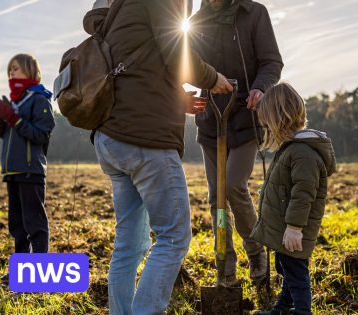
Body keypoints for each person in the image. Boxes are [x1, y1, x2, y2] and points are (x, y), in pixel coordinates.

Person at [83, 0, 233, 314]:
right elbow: (178, 53)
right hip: (145, 141)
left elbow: (139, 72)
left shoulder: (118, 14)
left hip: (111, 137)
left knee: (129, 245)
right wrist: (210, 77)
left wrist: (177, 100)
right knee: (174, 236)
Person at [189, 0, 284, 285]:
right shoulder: (196, 21)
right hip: (210, 118)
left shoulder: (254, 13)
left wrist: (260, 87)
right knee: (216, 196)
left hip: (246, 116)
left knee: (232, 186)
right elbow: (186, 65)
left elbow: (271, 62)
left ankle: (255, 250)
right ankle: (225, 261)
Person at [250, 83, 336, 315]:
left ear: (279, 118)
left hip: (293, 229)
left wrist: (294, 228)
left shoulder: (303, 153)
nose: (265, 127)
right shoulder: (292, 149)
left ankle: (302, 311)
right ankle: (282, 309)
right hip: (285, 228)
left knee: (296, 274)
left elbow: (303, 193)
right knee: (288, 269)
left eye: (267, 122)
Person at [0, 53, 55, 255]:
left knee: (34, 223)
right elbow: (8, 135)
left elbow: (41, 135)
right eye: (9, 69)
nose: (11, 72)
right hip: (12, 171)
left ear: (30, 69)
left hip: (30, 170)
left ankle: (39, 271)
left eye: (15, 68)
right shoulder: (16, 103)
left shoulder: (39, 99)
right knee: (17, 226)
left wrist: (12, 117)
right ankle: (21, 269)